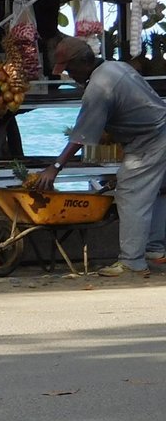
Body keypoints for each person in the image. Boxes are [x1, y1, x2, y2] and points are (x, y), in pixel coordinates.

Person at [27, 36, 166, 276]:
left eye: (70, 69)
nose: (70, 75)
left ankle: (132, 261)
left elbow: (80, 137)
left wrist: (55, 167)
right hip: (158, 130)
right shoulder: (116, 66)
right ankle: (154, 249)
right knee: (158, 193)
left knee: (130, 192)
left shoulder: (98, 88)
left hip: (151, 140)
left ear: (82, 63)